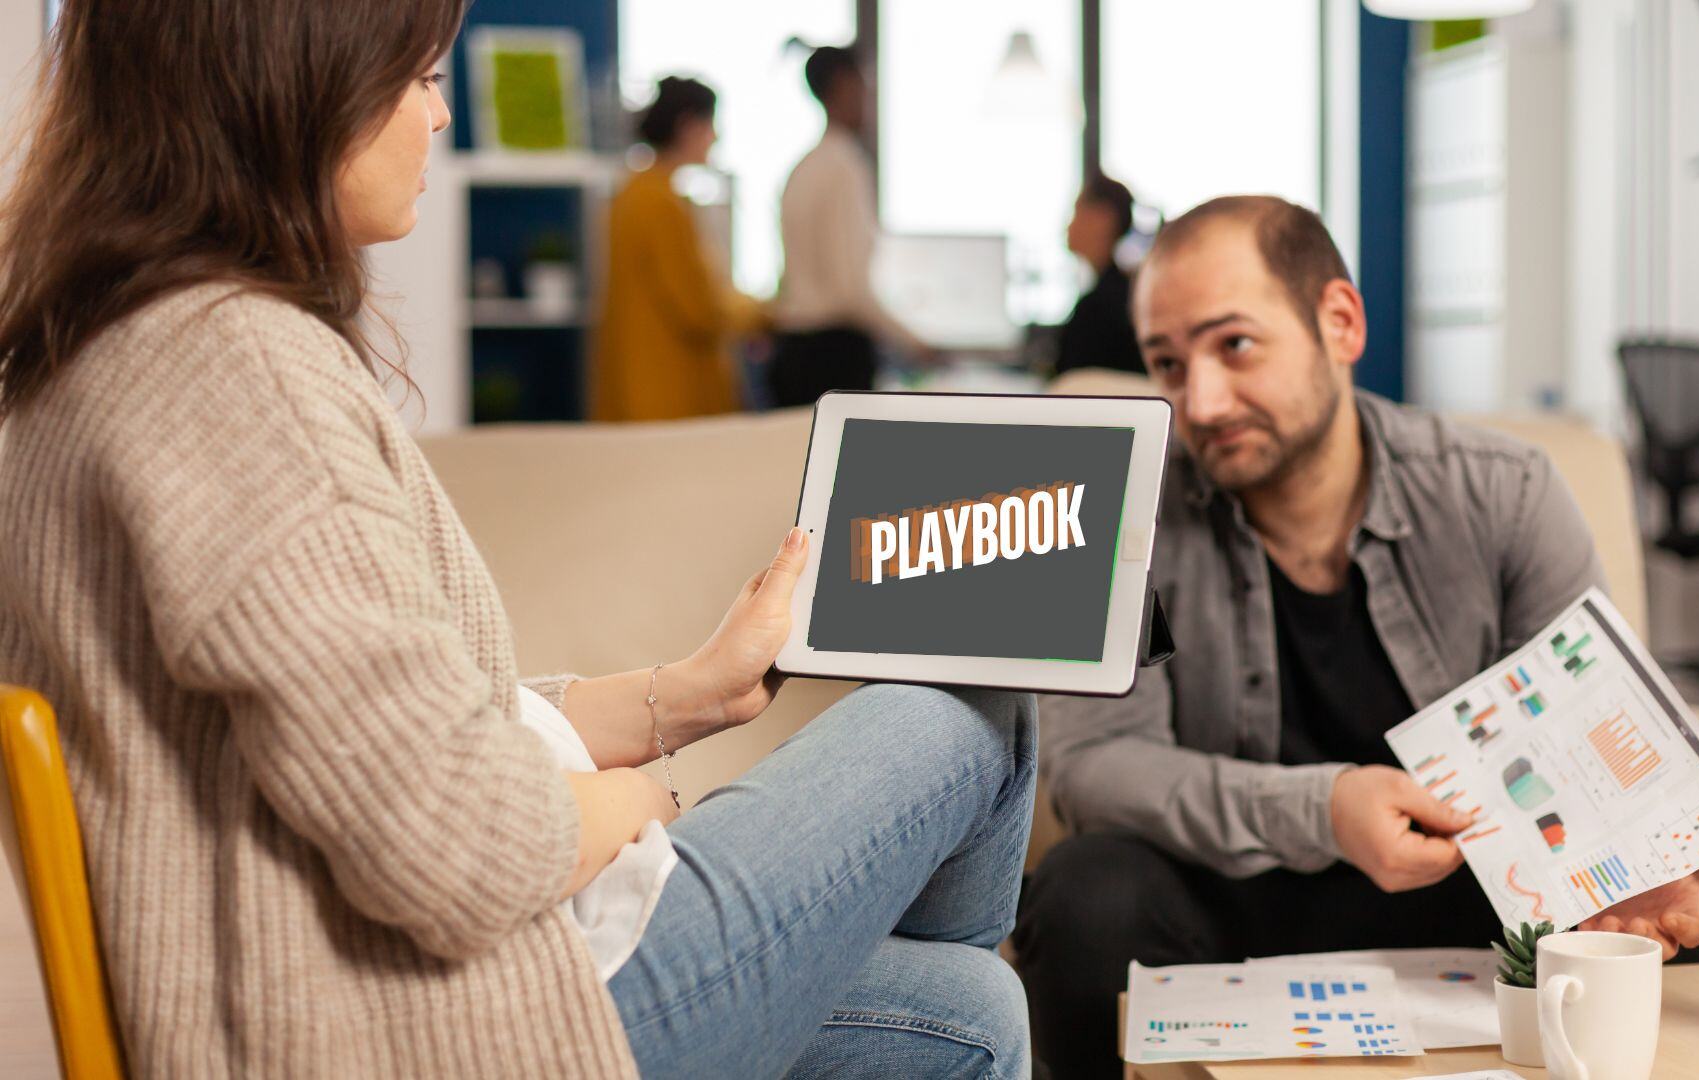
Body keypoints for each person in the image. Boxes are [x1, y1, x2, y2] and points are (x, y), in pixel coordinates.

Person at [0, 4, 1034, 1077]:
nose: (439, 114)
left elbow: (405, 733)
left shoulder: (112, 349)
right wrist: (649, 809)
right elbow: (463, 846)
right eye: (418, 77)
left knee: (967, 1012)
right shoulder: (233, 374)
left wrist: (686, 694)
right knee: (969, 701)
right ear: (291, 86)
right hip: (421, 1033)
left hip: (399, 990)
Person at [1008, 195, 1699, 1078]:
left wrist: (1637, 851)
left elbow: (1591, 727)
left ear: (1340, 322)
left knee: (1642, 940)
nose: (1201, 401)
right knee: (1084, 896)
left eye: (1235, 345)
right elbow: (1098, 764)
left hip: (1467, 893)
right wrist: (1321, 810)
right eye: (1168, 363)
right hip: (1224, 892)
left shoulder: (1504, 495)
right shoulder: (1129, 518)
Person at [592, 76, 762, 422]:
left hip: (637, 386)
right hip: (667, 394)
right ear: (687, 125)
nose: (714, 137)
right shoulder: (661, 203)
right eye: (710, 124)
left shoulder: (633, 193)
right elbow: (699, 309)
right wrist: (760, 312)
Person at [770, 44, 928, 407]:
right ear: (844, 86)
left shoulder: (802, 168)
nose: (870, 97)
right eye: (865, 85)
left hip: (793, 351)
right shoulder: (844, 166)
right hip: (832, 358)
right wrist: (915, 343)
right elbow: (851, 289)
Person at [1055, 173, 1145, 376]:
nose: (1067, 226)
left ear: (1102, 219)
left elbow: (1068, 386)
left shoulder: (1097, 309)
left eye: (1076, 212)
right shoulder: (1124, 292)